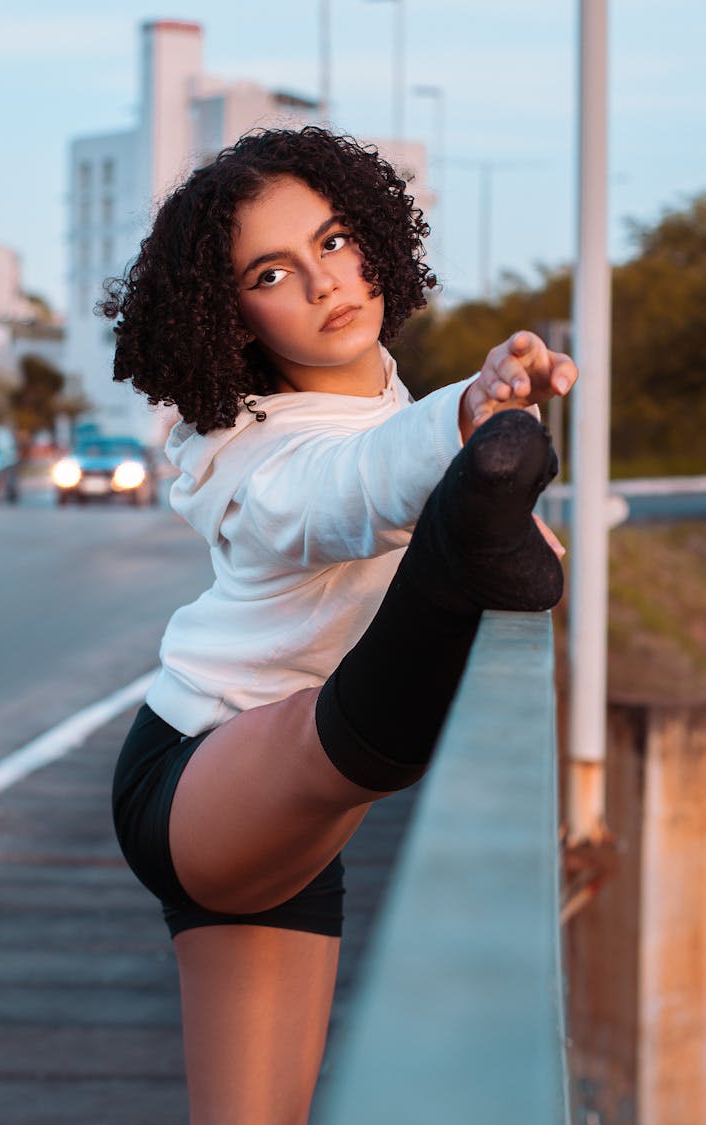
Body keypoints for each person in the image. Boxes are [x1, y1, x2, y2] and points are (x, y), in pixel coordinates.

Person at [102, 126, 577, 1125]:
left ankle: (470, 537)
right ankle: (464, 550)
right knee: (367, 725)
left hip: (294, 838)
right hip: (199, 778)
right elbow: (349, 489)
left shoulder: (389, 397)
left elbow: (386, 439)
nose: (326, 282)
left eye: (335, 239)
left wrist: (470, 411)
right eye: (273, 271)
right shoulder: (250, 457)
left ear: (374, 239)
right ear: (229, 316)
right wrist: (470, 427)